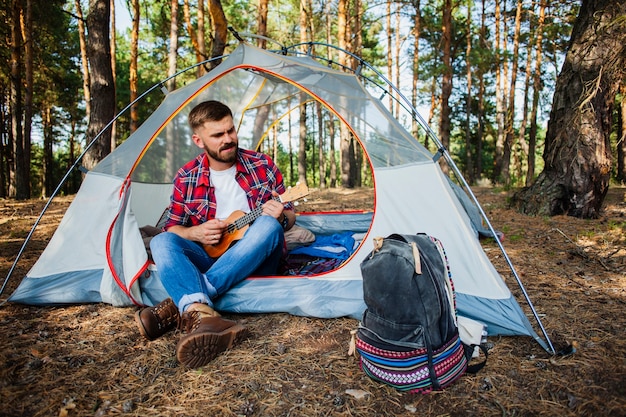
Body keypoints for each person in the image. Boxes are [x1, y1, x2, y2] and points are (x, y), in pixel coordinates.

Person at [134, 100, 295, 368]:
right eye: (218, 135)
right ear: (199, 140)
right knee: (162, 241)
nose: (228, 139)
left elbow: (290, 215)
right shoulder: (187, 176)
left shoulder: (261, 164)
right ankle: (203, 313)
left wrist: (281, 216)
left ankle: (189, 303)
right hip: (211, 257)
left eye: (231, 131)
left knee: (268, 225)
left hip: (257, 259)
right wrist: (195, 232)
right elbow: (172, 227)